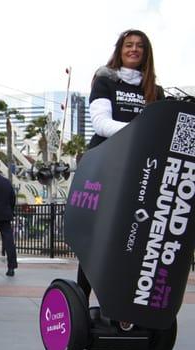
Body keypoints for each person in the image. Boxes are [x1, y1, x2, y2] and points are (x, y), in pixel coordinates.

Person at [77, 29, 164, 299]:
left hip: (140, 171)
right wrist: (140, 132)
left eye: (140, 46)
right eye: (129, 45)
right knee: (97, 236)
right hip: (105, 166)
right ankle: (81, 298)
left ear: (146, 53)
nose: (134, 50)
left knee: (132, 238)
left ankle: (122, 302)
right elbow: (101, 125)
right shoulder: (105, 81)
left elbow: (161, 129)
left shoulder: (155, 91)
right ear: (120, 50)